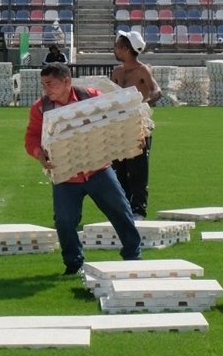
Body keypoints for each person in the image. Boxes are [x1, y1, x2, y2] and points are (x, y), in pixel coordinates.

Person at [24, 62, 142, 275]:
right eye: (43, 84)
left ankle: (133, 255)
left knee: (121, 211)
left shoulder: (91, 97)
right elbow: (31, 137)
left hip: (98, 170)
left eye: (50, 84)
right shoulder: (40, 108)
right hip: (65, 175)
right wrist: (39, 154)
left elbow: (117, 119)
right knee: (64, 221)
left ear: (66, 81)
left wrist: (134, 136)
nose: (46, 89)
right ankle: (74, 263)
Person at [110, 30, 161, 220]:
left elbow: (156, 91)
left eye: (117, 46)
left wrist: (142, 105)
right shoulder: (117, 72)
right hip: (119, 126)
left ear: (125, 48)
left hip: (138, 125)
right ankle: (123, 209)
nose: (115, 50)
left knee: (137, 170)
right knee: (119, 170)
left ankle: (138, 210)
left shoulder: (142, 70)